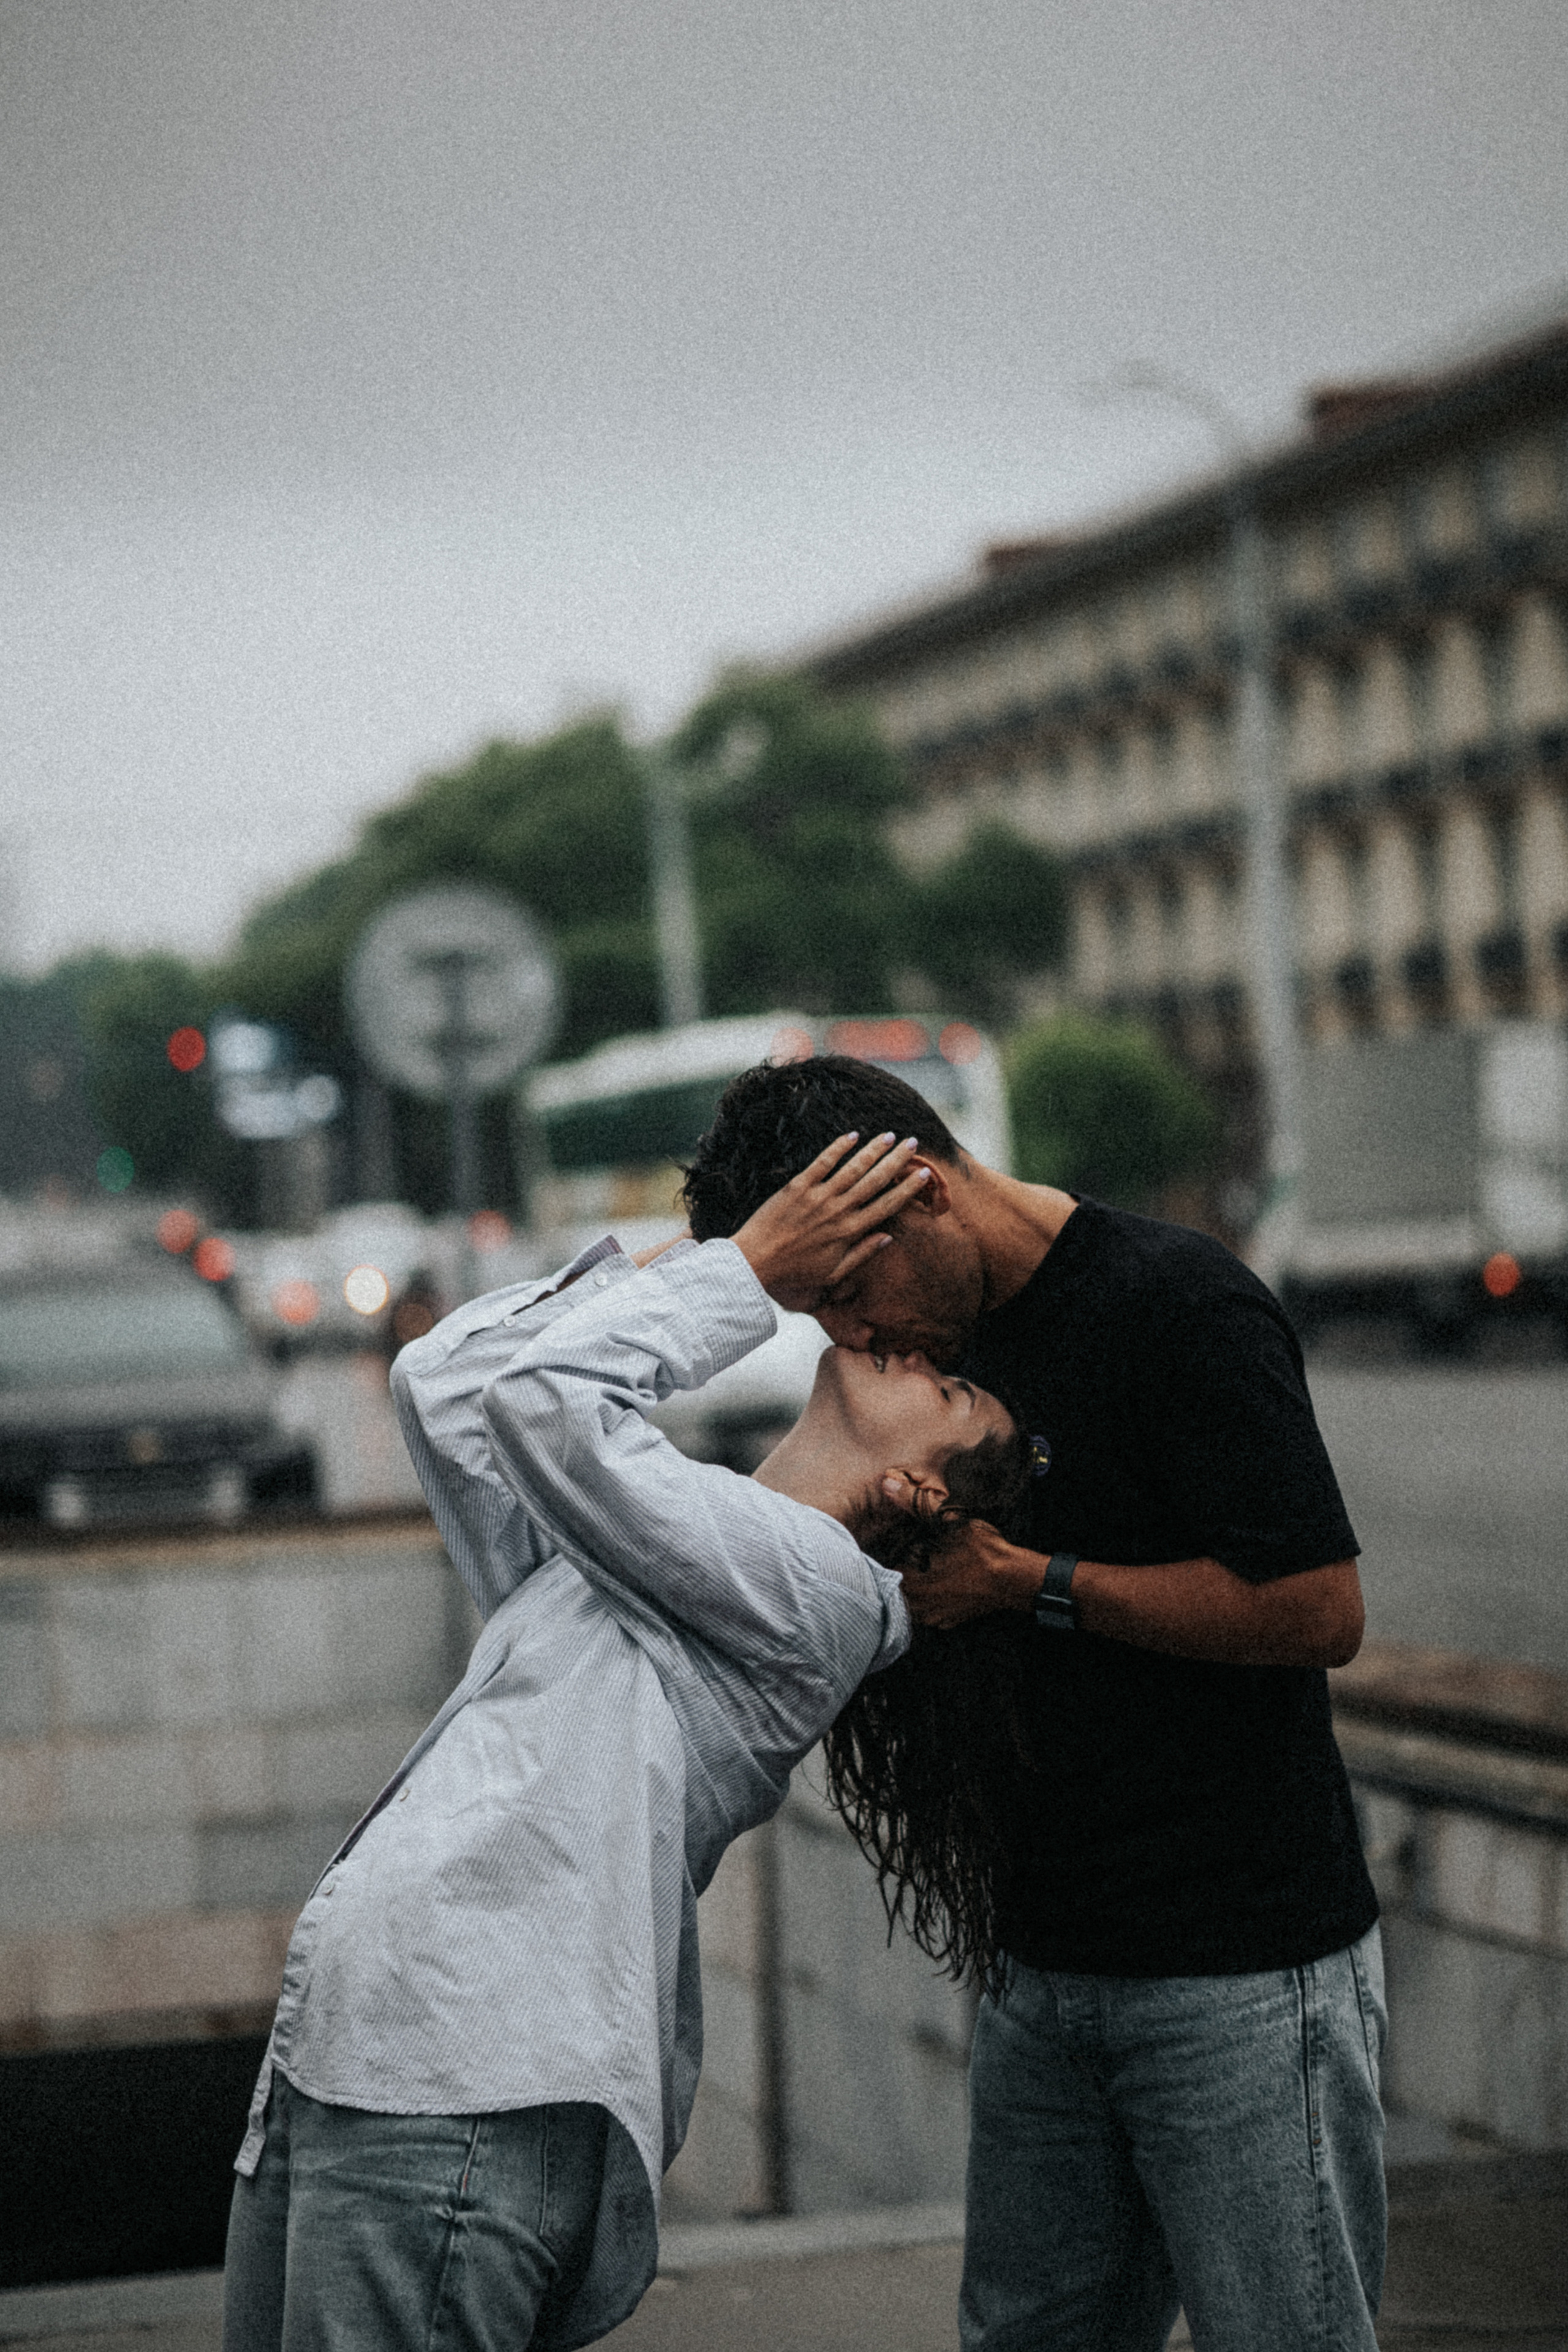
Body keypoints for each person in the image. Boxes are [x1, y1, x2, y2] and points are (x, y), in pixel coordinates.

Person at [222, 1132, 1030, 2352]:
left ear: (923, 1493)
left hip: (467, 2087)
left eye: (950, 1389)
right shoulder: (658, 1544)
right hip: (390, 2059)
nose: (911, 1351)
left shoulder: (819, 1600)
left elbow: (545, 1408)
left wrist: (749, 1274)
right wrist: (717, 1256)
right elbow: (445, 1382)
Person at [683, 1054, 1385, 2352]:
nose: (851, 1336)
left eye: (849, 1287)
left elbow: (1316, 1611)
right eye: (815, 1309)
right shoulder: (926, 1340)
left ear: (924, 1189)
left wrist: (1026, 1582)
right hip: (1041, 1966)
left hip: (1235, 1962)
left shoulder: (1177, 1306)